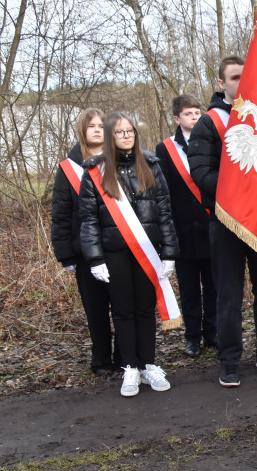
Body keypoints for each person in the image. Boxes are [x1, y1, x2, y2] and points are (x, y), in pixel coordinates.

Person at [189, 55, 257, 386]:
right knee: (228, 294)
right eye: (233, 78)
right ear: (221, 83)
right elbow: (200, 172)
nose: (239, 82)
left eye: (244, 76)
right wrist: (241, 187)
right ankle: (229, 359)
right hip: (226, 222)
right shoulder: (208, 124)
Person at [79, 111, 179, 397]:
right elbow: (88, 220)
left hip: (148, 252)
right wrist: (95, 258)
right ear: (110, 136)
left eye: (130, 131)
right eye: (120, 132)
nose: (126, 136)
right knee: (122, 311)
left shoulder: (150, 164)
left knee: (145, 309)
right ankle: (130, 369)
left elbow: (165, 212)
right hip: (114, 253)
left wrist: (170, 253)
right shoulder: (95, 171)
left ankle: (148, 364)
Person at [51, 108, 118, 376]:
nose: (98, 130)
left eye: (102, 125)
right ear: (83, 130)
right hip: (85, 252)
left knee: (122, 306)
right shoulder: (68, 169)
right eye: (92, 126)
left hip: (118, 247)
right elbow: (61, 215)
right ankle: (101, 359)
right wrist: (66, 255)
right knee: (96, 309)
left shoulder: (117, 161)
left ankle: (125, 356)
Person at [156, 94, 217, 358]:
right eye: (188, 113)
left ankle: (212, 333)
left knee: (213, 287)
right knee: (190, 290)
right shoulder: (165, 149)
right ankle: (192, 337)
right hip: (183, 233)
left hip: (210, 227)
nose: (194, 117)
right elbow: (164, 193)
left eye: (196, 113)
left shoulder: (210, 142)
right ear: (176, 118)